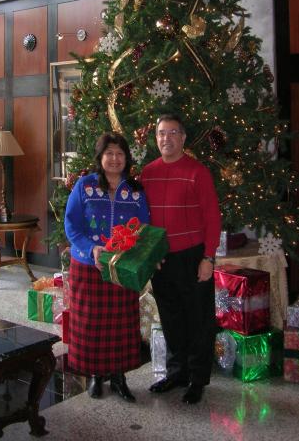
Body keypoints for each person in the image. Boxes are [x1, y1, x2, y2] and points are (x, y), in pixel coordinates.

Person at [141, 113, 221, 404]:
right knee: (172, 318)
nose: (166, 138)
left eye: (172, 133)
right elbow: (143, 220)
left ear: (183, 138)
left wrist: (208, 258)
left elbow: (213, 218)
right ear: (156, 138)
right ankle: (177, 373)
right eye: (161, 133)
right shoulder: (147, 173)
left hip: (192, 256)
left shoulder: (197, 172)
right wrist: (150, 255)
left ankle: (197, 379)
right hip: (162, 259)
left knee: (198, 320)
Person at [64, 131, 150, 402]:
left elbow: (145, 228)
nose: (114, 159)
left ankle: (119, 377)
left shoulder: (135, 192)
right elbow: (71, 225)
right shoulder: (85, 186)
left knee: (122, 324)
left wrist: (140, 256)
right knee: (90, 323)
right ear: (100, 157)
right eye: (109, 153)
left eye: (120, 154)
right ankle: (95, 376)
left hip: (121, 269)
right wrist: (92, 249)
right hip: (89, 266)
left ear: (127, 158)